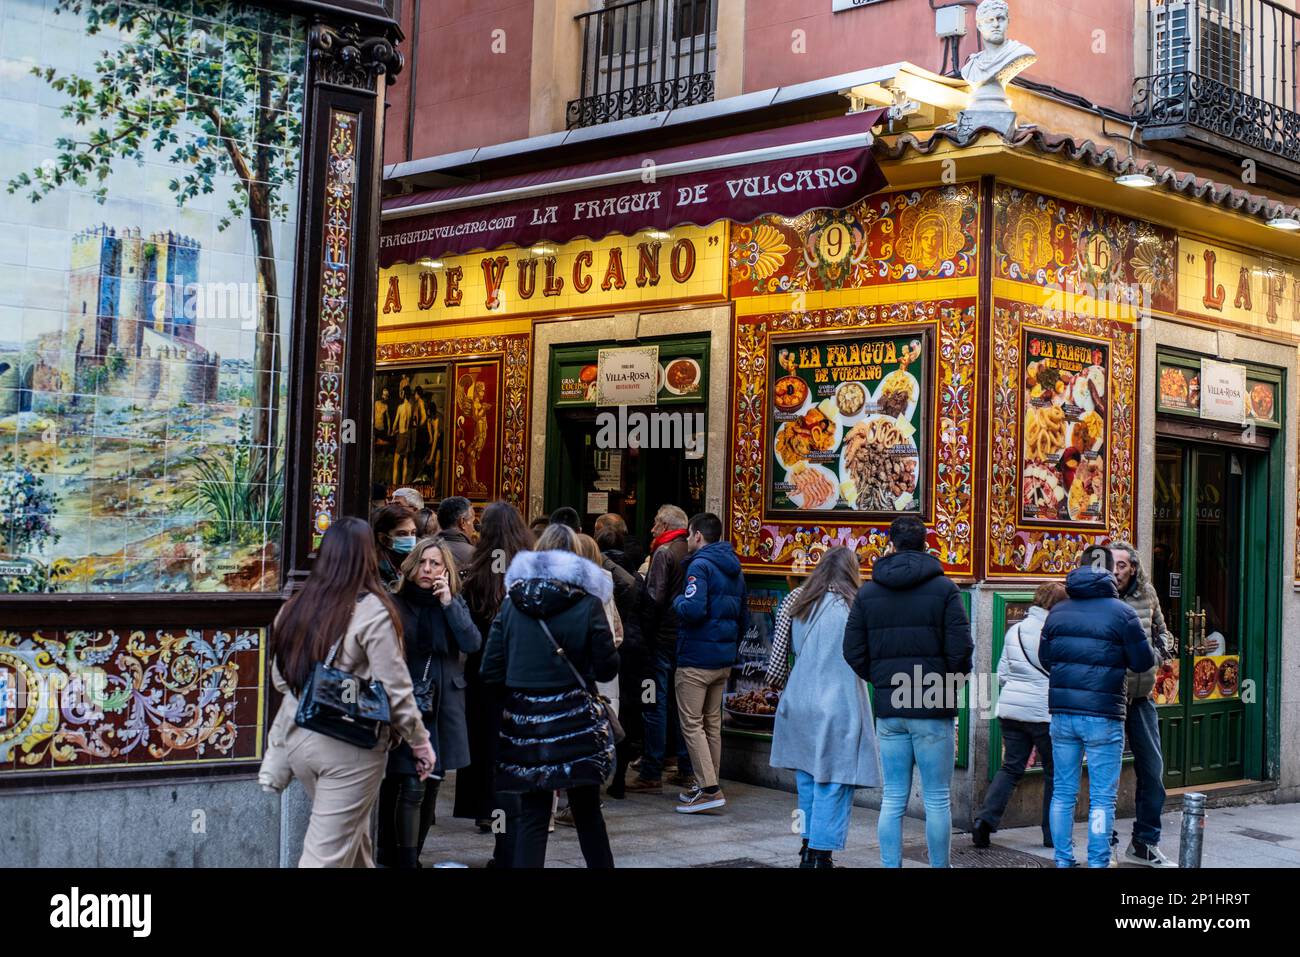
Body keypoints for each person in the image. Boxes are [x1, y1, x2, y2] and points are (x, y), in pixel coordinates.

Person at [265, 517, 435, 867]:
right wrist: (419, 741)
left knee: (354, 843)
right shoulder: (372, 611)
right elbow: (396, 687)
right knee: (324, 856)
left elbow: (281, 680)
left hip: (302, 739)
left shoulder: (294, 607)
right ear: (367, 556)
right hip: (350, 746)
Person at [480, 523, 619, 868]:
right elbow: (606, 670)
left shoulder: (512, 603)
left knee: (532, 815)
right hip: (575, 722)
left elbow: (490, 669)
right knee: (588, 813)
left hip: (525, 723)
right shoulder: (588, 604)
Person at [842, 515, 973, 868]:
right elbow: (961, 649)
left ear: (891, 544)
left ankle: (890, 866)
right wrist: (947, 685)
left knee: (893, 798)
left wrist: (883, 681)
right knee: (937, 799)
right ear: (926, 544)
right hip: (933, 704)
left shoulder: (869, 591)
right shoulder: (945, 589)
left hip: (891, 707)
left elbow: (852, 651)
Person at [1040, 546, 1155, 869]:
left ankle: (1063, 860)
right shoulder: (1121, 613)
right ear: (1107, 577)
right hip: (1104, 714)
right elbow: (1143, 661)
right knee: (1102, 797)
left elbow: (1045, 659)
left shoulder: (1058, 611)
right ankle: (1098, 860)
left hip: (1063, 714)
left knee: (1063, 792)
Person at [769, 547, 880, 867]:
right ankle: (820, 855)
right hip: (839, 702)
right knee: (834, 779)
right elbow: (866, 658)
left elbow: (776, 664)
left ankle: (806, 844)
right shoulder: (856, 604)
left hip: (800, 699)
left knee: (805, 778)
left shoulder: (795, 600)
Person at [377, 537, 481, 867]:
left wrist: (449, 602)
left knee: (432, 784)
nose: (427, 569)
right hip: (407, 703)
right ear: (411, 566)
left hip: (444, 703)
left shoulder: (452, 602)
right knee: (410, 782)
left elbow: (471, 642)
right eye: (422, 562)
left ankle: (412, 855)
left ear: (446, 570)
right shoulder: (396, 602)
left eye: (435, 564)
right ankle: (402, 859)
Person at [456, 501, 535, 861]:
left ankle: (503, 844)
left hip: (486, 681)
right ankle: (511, 848)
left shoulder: (477, 575)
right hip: (525, 679)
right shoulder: (534, 571)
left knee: (492, 766)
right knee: (518, 765)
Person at [972, 581, 1067, 850]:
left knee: (1011, 767)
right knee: (1055, 773)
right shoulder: (1057, 631)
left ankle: (985, 821)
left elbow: (1002, 673)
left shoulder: (1015, 630)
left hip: (1011, 709)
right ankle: (1051, 833)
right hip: (1044, 713)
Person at [672, 512, 747, 813]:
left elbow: (693, 608)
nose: (688, 540)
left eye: (689, 535)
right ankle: (709, 781)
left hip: (696, 658)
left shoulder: (699, 566)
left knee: (691, 723)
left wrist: (676, 601)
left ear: (698, 536)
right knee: (711, 723)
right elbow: (742, 615)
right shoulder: (734, 568)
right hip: (722, 659)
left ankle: (709, 789)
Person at [1111, 542, 1176, 867]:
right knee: (1105, 774)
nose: (1116, 571)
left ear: (1133, 568)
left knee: (1153, 772)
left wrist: (1157, 655)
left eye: (1122, 565)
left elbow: (1164, 634)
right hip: (1108, 698)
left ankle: (1144, 843)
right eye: (1112, 564)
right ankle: (1105, 841)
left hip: (1141, 698)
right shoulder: (1101, 597)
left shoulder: (1148, 595)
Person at [626, 504, 694, 793]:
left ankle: (652, 770)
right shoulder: (690, 551)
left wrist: (644, 632)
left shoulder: (664, 552)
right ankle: (685, 767)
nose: (651, 528)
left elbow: (654, 598)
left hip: (661, 641)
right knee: (683, 706)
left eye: (655, 523)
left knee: (653, 703)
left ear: (666, 526)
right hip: (684, 639)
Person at [595, 522, 647, 799]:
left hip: (610, 646)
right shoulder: (635, 572)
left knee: (600, 706)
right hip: (634, 647)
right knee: (627, 711)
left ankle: (595, 772)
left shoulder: (598, 574)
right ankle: (620, 778)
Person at [372, 502, 417, 592]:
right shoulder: (373, 568)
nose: (410, 538)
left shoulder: (416, 562)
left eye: (413, 533)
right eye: (402, 534)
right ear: (383, 538)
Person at [434, 496, 476, 569]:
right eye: (472, 521)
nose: (473, 528)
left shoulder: (425, 549)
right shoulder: (475, 555)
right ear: (462, 522)